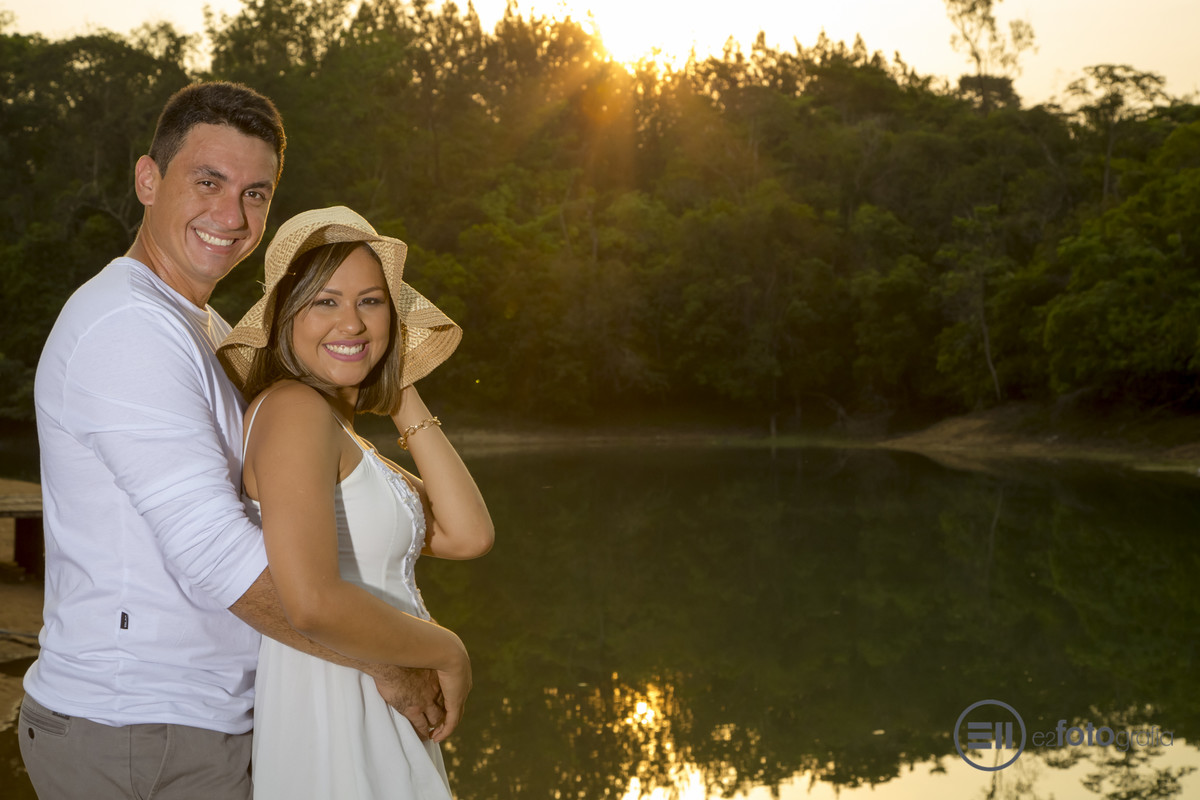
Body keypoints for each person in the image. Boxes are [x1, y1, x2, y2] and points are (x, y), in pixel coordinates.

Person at [20, 82, 443, 799]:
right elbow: (214, 552)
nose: (231, 214)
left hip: (201, 722)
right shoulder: (126, 326)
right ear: (148, 180)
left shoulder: (204, 329)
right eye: (208, 181)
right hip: (141, 729)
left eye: (255, 193)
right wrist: (392, 658)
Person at [217, 205, 493, 798]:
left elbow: (468, 534)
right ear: (285, 316)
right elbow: (311, 602)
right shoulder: (294, 410)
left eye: (371, 301)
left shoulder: (335, 429)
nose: (352, 322)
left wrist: (400, 388)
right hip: (336, 702)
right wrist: (450, 651)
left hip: (378, 698)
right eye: (326, 302)